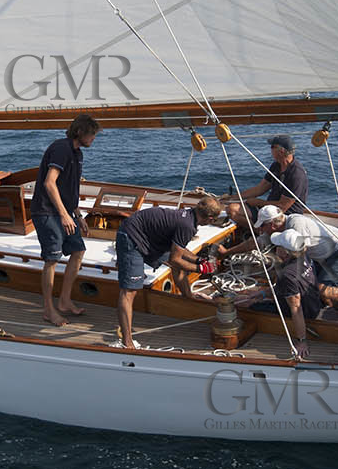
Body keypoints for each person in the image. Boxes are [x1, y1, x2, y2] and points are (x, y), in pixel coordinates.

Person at [113, 196, 224, 348]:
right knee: (129, 291)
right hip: (131, 237)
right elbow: (175, 259)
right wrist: (200, 269)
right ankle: (127, 342)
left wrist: (198, 260)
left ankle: (188, 297)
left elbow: (180, 249)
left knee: (179, 268)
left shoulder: (189, 217)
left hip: (149, 236)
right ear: (210, 218)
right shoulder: (187, 226)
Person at [32, 113, 100, 326]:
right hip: (46, 212)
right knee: (51, 259)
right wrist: (63, 215)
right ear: (80, 132)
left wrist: (77, 215)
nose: (93, 139)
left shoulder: (77, 153)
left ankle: (64, 301)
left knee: (78, 251)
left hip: (64, 212)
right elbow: (49, 183)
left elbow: (68, 188)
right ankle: (48, 310)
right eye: (92, 134)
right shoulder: (61, 149)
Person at [238, 228, 321, 360]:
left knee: (248, 305)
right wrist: (263, 294)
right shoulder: (303, 255)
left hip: (306, 312)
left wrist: (301, 341)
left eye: (278, 246)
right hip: (314, 302)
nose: (276, 248)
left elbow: (296, 309)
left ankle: (209, 301)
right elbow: (287, 287)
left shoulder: (287, 275)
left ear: (285, 253)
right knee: (254, 295)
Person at [236, 135, 309, 216]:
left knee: (234, 210)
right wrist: (235, 197)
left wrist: (258, 202)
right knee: (234, 207)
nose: (270, 149)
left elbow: (283, 206)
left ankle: (258, 229)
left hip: (286, 214)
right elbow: (261, 188)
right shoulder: (276, 166)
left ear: (281, 151)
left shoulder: (296, 174)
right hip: (269, 209)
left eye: (272, 147)